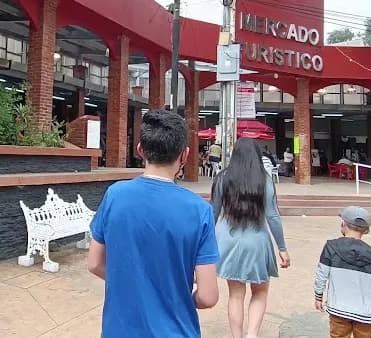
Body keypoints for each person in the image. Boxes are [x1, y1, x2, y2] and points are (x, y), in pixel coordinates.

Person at [88, 109, 220, 337]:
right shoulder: (199, 211)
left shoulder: (115, 196)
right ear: (185, 155)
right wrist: (177, 296)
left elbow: (94, 263)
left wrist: (135, 286)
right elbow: (208, 297)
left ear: (140, 149)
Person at [211, 138, 290, 338]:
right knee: (260, 292)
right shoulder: (265, 180)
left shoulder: (222, 178)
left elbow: (213, 212)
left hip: (227, 241)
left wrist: (205, 243)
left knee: (235, 295)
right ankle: (252, 335)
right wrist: (282, 248)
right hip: (257, 241)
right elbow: (273, 216)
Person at [314, 206, 371, 338]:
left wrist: (318, 296)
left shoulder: (331, 247)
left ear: (343, 223)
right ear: (366, 230)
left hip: (339, 309)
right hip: (366, 313)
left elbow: (321, 275)